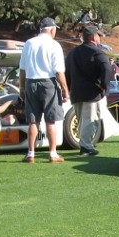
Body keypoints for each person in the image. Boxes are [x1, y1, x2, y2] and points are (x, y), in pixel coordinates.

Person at [19, 16, 69, 163]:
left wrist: (22, 87)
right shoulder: (54, 45)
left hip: (31, 82)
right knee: (50, 120)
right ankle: (53, 154)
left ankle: (30, 153)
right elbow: (59, 72)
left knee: (33, 121)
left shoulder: (29, 43)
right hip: (48, 83)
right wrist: (65, 90)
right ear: (52, 30)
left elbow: (22, 69)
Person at [65, 24, 114, 157]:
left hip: (76, 92)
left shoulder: (73, 53)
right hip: (92, 92)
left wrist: (69, 88)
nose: (99, 37)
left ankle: (85, 144)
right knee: (90, 120)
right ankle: (86, 146)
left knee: (82, 120)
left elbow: (66, 72)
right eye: (98, 35)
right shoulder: (97, 52)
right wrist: (104, 86)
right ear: (94, 37)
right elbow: (107, 69)